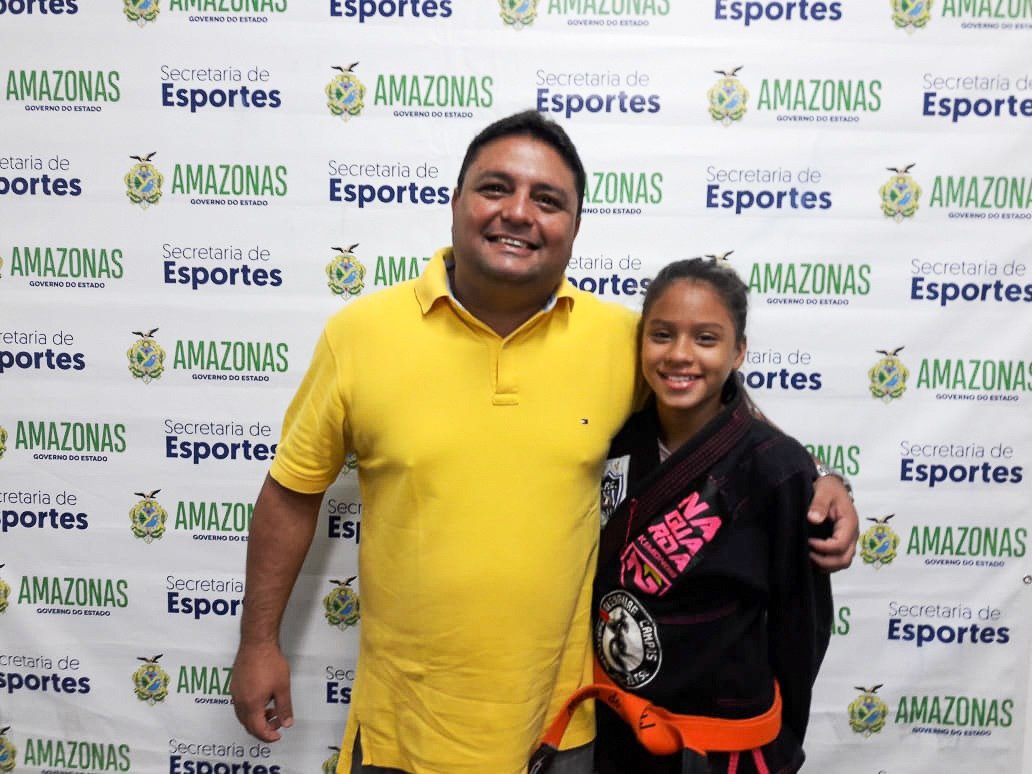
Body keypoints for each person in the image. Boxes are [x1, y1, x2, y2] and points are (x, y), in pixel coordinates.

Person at [229, 111, 857, 774]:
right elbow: (292, 492)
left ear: (575, 227)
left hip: (563, 731)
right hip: (401, 731)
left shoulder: (621, 341)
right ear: (456, 201)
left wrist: (824, 478)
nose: (519, 213)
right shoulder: (359, 335)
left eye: (548, 200)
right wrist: (259, 642)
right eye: (495, 188)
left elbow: (720, 417)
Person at [533, 258, 832, 774]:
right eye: (662, 335)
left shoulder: (774, 468)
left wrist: (782, 741)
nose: (679, 355)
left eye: (706, 339)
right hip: (616, 733)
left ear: (738, 352)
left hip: (723, 746)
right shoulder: (614, 437)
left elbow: (801, 626)